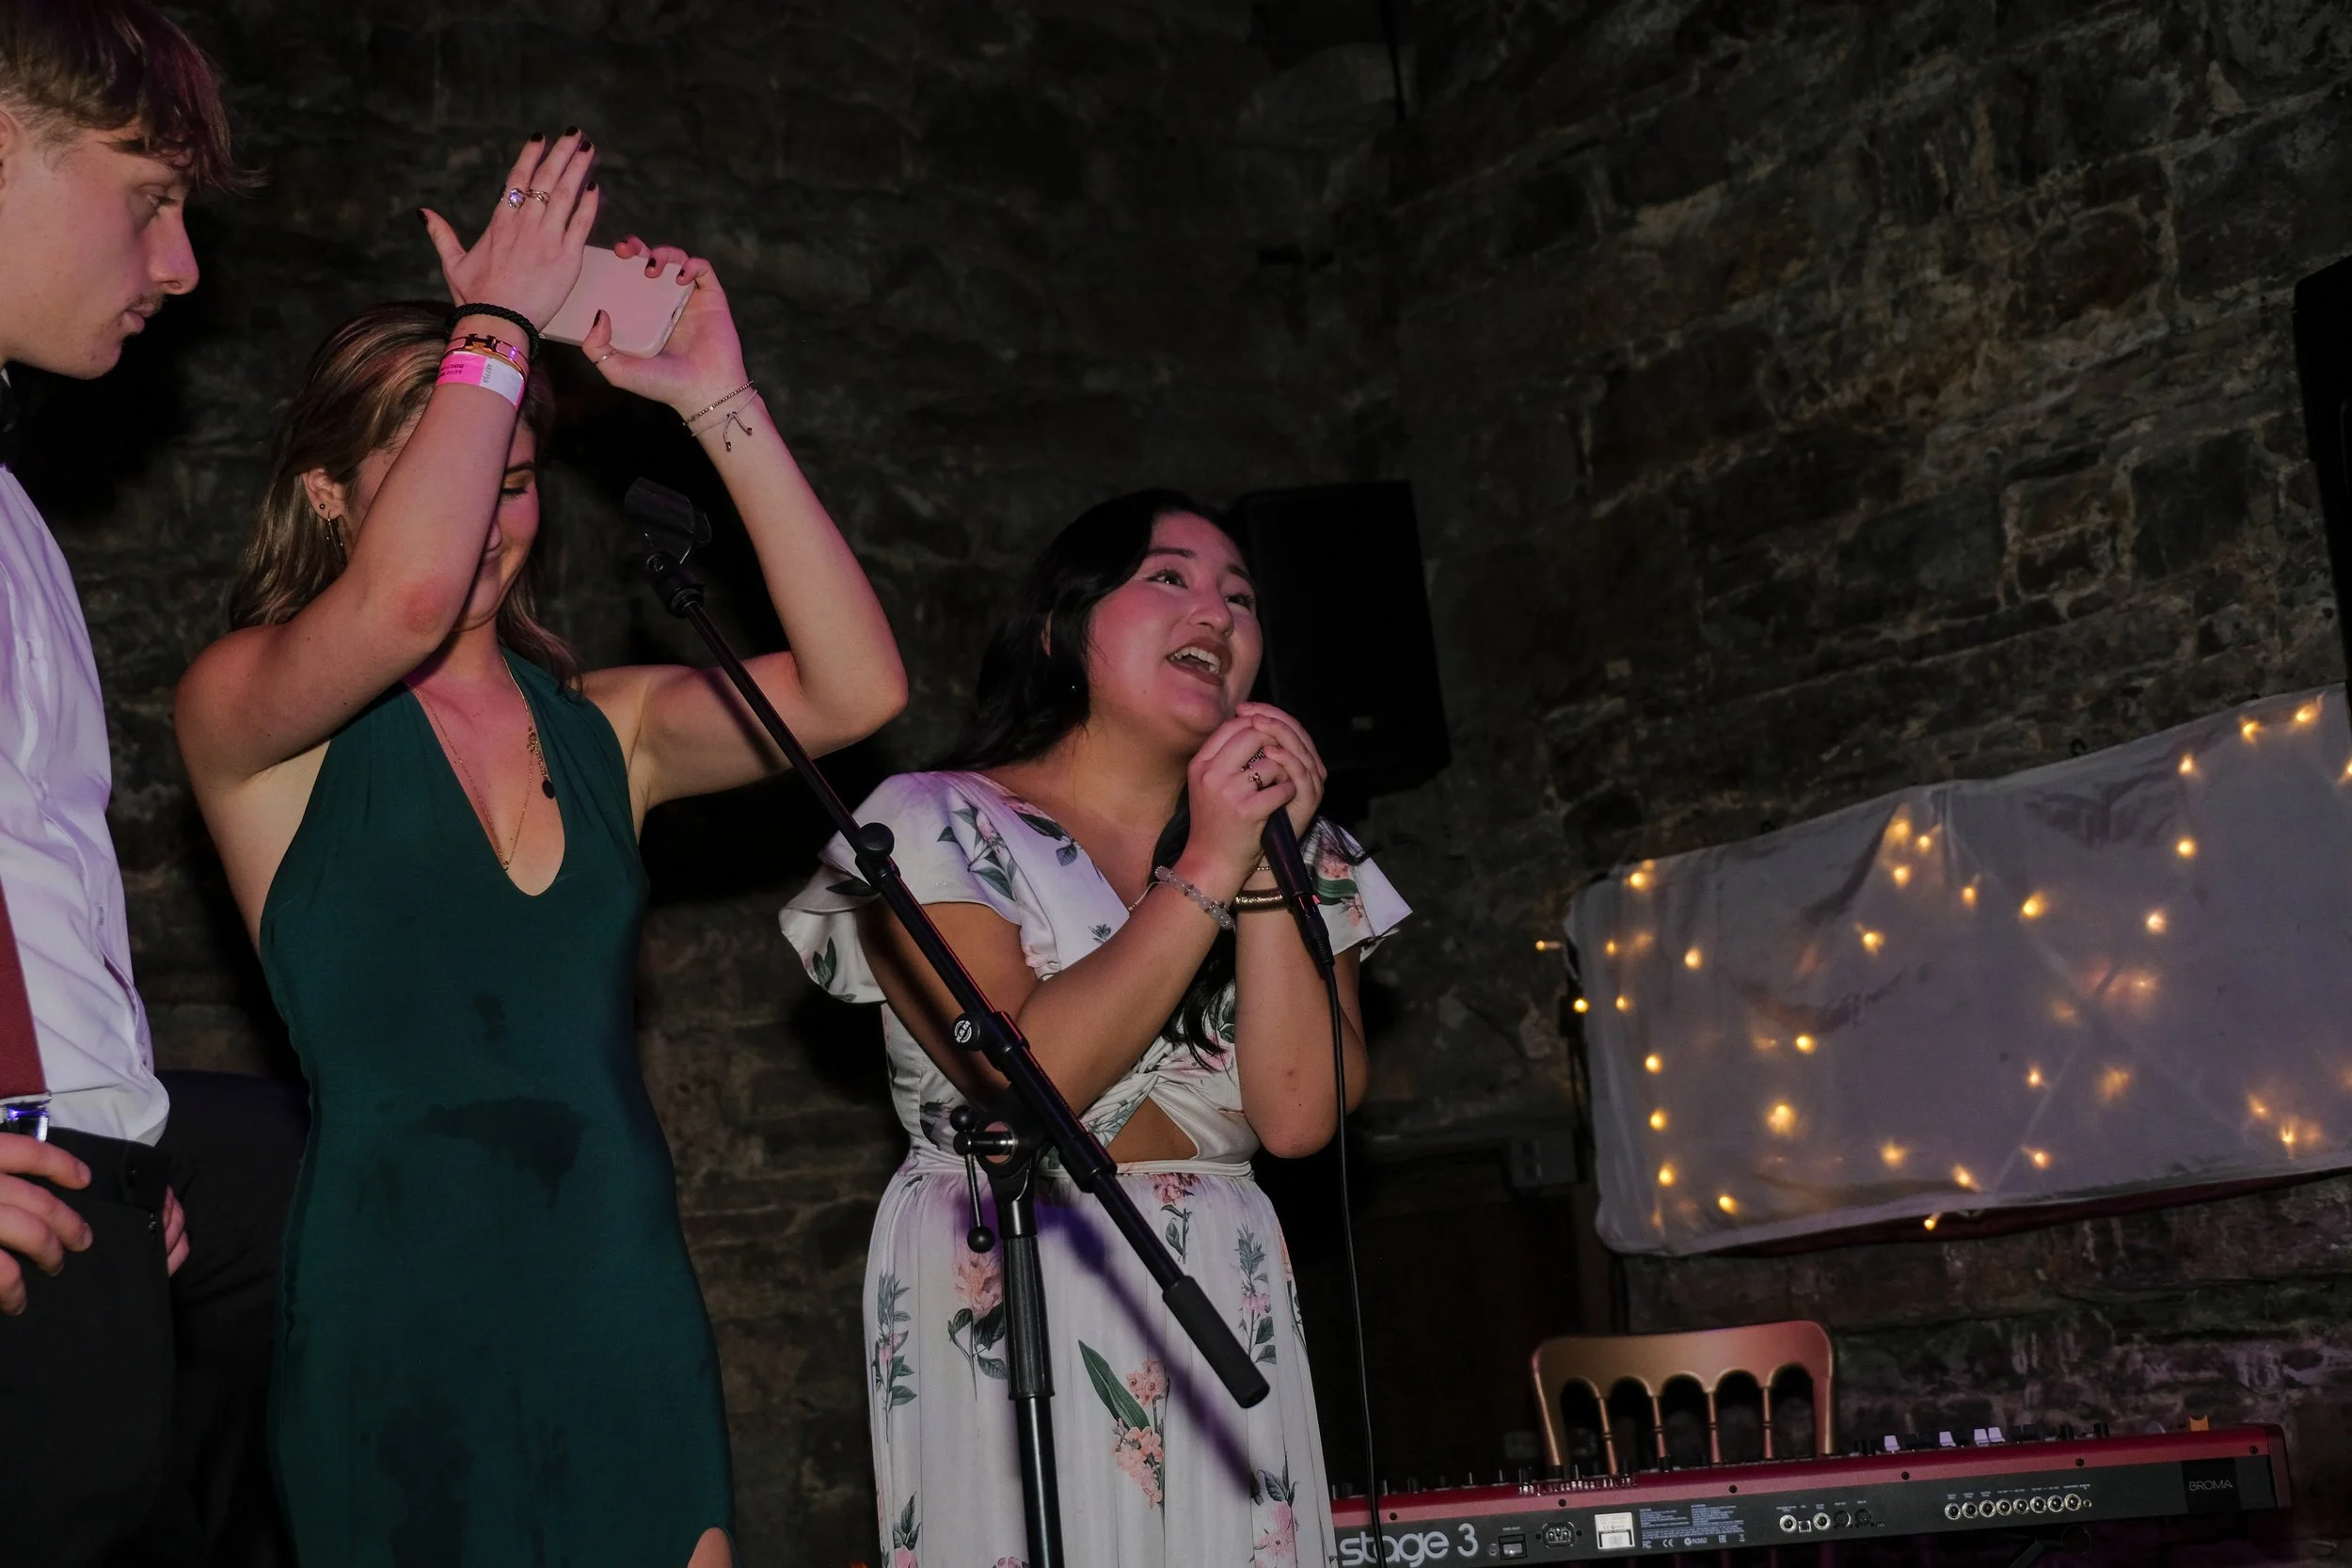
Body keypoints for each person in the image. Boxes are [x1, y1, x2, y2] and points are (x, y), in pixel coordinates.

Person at [174, 129, 906, 1566]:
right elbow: (399, 605)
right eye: (453, 471)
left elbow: (855, 689)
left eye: (518, 481)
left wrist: (719, 397)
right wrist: (497, 325)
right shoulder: (247, 706)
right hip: (399, 1304)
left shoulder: (604, 724)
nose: (495, 520)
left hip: (615, 1293)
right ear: (330, 493)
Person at [782, 490, 1408, 1566]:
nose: (1214, 610)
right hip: (1018, 1262)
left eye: (1241, 596)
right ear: (1057, 629)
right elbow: (1032, 1078)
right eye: (1167, 576)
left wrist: (1264, 868)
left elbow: (1300, 1117)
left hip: (1220, 1272)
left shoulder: (1306, 846)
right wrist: (1207, 865)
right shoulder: (928, 823)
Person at [0, 6, 306, 1564]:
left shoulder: (13, 509)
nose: (180, 265)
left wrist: (119, 1141)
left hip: (76, 1178)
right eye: (147, 196)